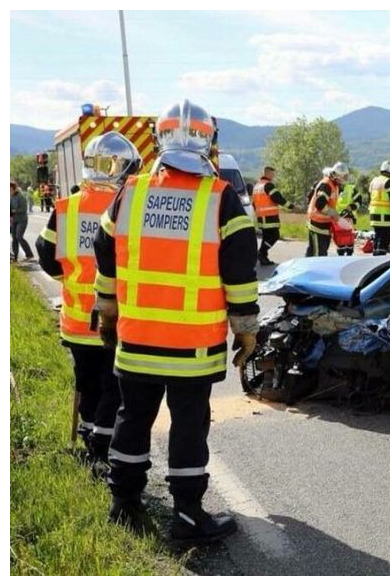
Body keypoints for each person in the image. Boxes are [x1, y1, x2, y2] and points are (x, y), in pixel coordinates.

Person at [93, 99, 259, 543]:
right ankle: (187, 517)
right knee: (188, 428)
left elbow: (105, 258)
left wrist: (106, 312)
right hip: (194, 349)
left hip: (136, 340)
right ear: (210, 140)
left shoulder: (129, 193)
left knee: (133, 419)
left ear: (158, 138)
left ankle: (124, 507)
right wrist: (246, 332)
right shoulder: (222, 199)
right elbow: (241, 275)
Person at [35, 132, 139, 470]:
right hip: (114, 320)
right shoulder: (127, 205)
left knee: (88, 386)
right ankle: (101, 450)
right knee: (114, 390)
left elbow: (46, 254)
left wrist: (70, 279)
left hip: (78, 322)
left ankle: (88, 440)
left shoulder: (67, 207)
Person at [306, 162, 349, 257]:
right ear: (337, 176)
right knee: (318, 254)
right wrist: (333, 213)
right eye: (344, 176)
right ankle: (315, 270)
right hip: (317, 223)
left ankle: (308, 267)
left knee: (318, 250)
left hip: (324, 223)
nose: (345, 179)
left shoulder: (334, 185)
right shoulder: (326, 185)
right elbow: (320, 205)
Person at [251, 166, 291, 266]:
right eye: (272, 174)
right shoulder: (268, 185)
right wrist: (291, 206)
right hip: (270, 217)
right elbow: (278, 198)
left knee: (266, 237)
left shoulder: (257, 186)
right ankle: (261, 253)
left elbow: (253, 203)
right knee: (274, 236)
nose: (273, 176)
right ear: (267, 174)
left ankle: (263, 257)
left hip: (261, 216)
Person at [368, 160, 390, 256]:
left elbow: (369, 198)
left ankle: (375, 259)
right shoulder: (389, 182)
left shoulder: (374, 181)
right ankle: (380, 262)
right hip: (386, 217)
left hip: (374, 216)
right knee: (384, 241)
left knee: (377, 239)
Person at [334, 178, 362, 256]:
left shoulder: (351, 189)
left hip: (349, 217)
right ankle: (340, 255)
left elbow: (359, 200)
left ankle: (349, 254)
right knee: (340, 239)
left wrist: (351, 207)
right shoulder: (333, 188)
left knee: (349, 239)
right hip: (337, 218)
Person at [10, 181, 33, 262]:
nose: (9, 191)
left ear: (14, 189)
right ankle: (15, 257)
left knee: (19, 237)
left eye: (10, 189)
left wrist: (14, 211)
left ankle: (29, 254)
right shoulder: (9, 197)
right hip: (13, 221)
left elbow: (24, 209)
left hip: (22, 220)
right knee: (14, 238)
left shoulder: (20, 197)